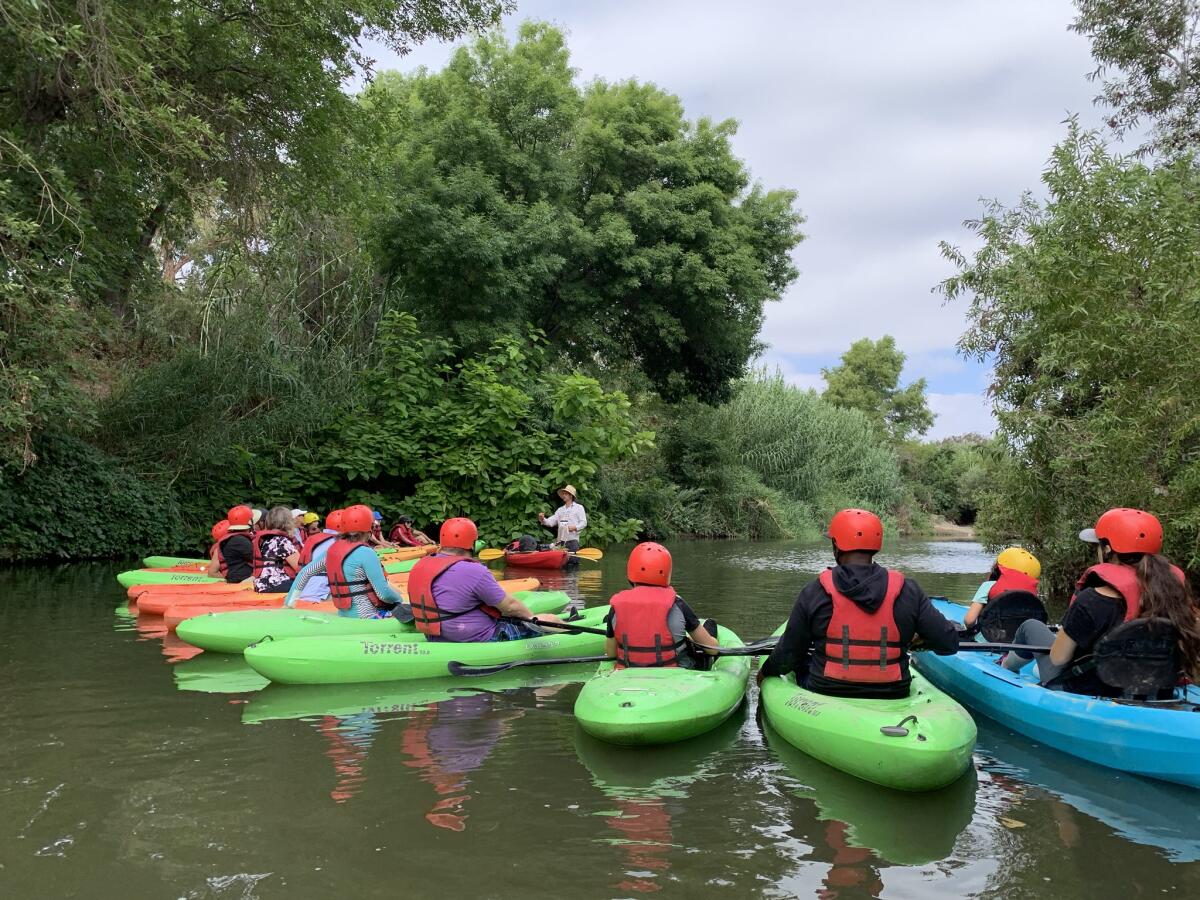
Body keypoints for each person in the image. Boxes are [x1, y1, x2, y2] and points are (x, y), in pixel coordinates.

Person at [757, 508, 961, 698]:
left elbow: (790, 653)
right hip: (892, 692)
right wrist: (922, 640)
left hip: (826, 689)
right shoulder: (908, 590)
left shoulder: (816, 590)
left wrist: (766, 672)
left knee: (803, 661)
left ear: (836, 546)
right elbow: (948, 642)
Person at [1001, 508, 1200, 696]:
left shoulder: (1091, 599)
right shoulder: (1174, 596)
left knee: (1031, 626)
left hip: (1087, 689)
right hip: (1155, 688)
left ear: (1107, 549)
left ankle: (1003, 670)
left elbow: (1058, 659)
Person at [409, 517, 568, 641]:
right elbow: (511, 607)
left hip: (433, 635)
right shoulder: (473, 570)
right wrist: (532, 620)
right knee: (551, 619)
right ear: (472, 544)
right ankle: (576, 637)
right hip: (473, 637)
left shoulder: (421, 564)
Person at [605, 542, 719, 669]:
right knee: (711, 625)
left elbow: (611, 654)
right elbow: (712, 649)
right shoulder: (677, 603)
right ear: (667, 572)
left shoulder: (616, 606)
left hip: (629, 672)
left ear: (631, 571)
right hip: (673, 674)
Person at [285, 505, 406, 618]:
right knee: (403, 604)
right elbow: (383, 593)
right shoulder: (367, 552)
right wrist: (400, 600)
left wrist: (289, 604)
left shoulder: (332, 550)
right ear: (369, 530)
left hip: (343, 614)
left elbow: (304, 573)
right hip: (368, 615)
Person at [962, 546, 1042, 630]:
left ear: (998, 567)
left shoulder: (988, 586)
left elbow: (969, 621)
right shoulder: (1032, 593)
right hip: (1019, 639)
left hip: (987, 639)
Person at [285, 509, 342, 605]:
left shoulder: (312, 539)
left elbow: (304, 570)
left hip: (303, 591)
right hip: (321, 594)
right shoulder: (341, 544)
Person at [251, 505, 301, 593]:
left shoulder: (263, 540)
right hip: (277, 584)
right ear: (288, 522)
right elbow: (300, 567)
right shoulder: (282, 541)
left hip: (260, 584)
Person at [209, 505, 255, 582]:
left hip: (234, 578)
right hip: (240, 581)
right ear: (249, 522)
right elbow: (259, 560)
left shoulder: (231, 539)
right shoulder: (241, 541)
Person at [538, 485, 587, 551]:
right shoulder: (560, 510)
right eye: (563, 494)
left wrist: (575, 527)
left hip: (572, 541)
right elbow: (550, 522)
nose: (563, 495)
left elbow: (584, 522)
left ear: (571, 495)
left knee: (573, 561)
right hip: (561, 542)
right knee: (561, 561)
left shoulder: (579, 507)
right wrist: (542, 518)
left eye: (566, 494)